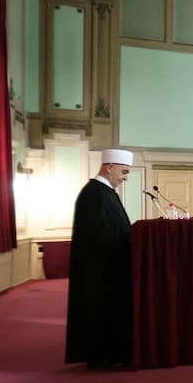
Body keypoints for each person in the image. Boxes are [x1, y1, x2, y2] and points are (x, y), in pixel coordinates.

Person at [66, 148, 135, 368]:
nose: (125, 178)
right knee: (99, 313)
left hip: (108, 267)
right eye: (123, 172)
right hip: (99, 271)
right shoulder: (94, 194)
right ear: (110, 167)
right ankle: (103, 356)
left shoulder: (104, 193)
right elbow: (100, 234)